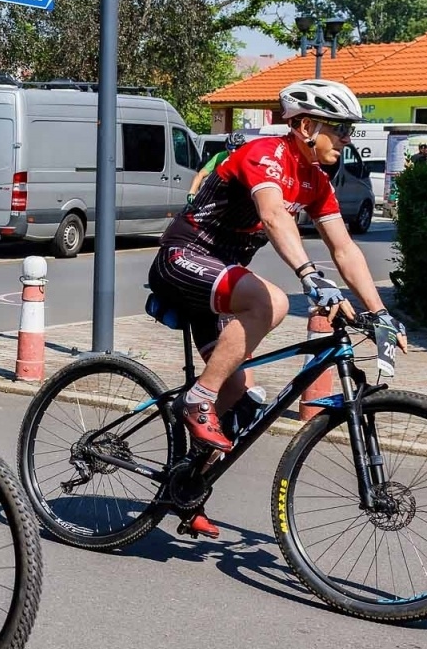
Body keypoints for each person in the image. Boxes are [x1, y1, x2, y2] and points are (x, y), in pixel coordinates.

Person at [147, 79, 403, 539]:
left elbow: (345, 249)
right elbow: (273, 215)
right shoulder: (265, 154)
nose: (348, 139)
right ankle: (196, 399)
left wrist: (379, 312)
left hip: (219, 275)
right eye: (340, 128)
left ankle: (184, 488)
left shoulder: (316, 182)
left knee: (242, 395)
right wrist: (308, 275)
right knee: (273, 301)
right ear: (306, 126)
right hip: (181, 260)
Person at [187, 129, 249, 202]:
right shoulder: (219, 156)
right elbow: (200, 174)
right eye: (230, 147)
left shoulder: (247, 157)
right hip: (222, 190)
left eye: (237, 147)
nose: (233, 151)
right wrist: (191, 193)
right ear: (226, 146)